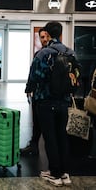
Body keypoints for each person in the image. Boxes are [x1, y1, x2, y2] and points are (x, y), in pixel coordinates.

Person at [26, 21, 79, 186]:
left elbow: (35, 77)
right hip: (64, 101)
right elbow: (77, 74)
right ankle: (65, 174)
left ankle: (54, 174)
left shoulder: (43, 54)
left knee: (50, 137)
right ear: (61, 33)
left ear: (47, 35)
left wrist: (29, 90)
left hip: (46, 101)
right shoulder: (70, 53)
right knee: (62, 135)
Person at [22, 28, 50, 156]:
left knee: (47, 125)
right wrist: (29, 89)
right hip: (39, 94)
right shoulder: (39, 54)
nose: (44, 39)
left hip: (49, 95)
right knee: (37, 122)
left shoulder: (50, 54)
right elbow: (33, 72)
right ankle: (34, 145)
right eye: (42, 37)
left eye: (46, 36)